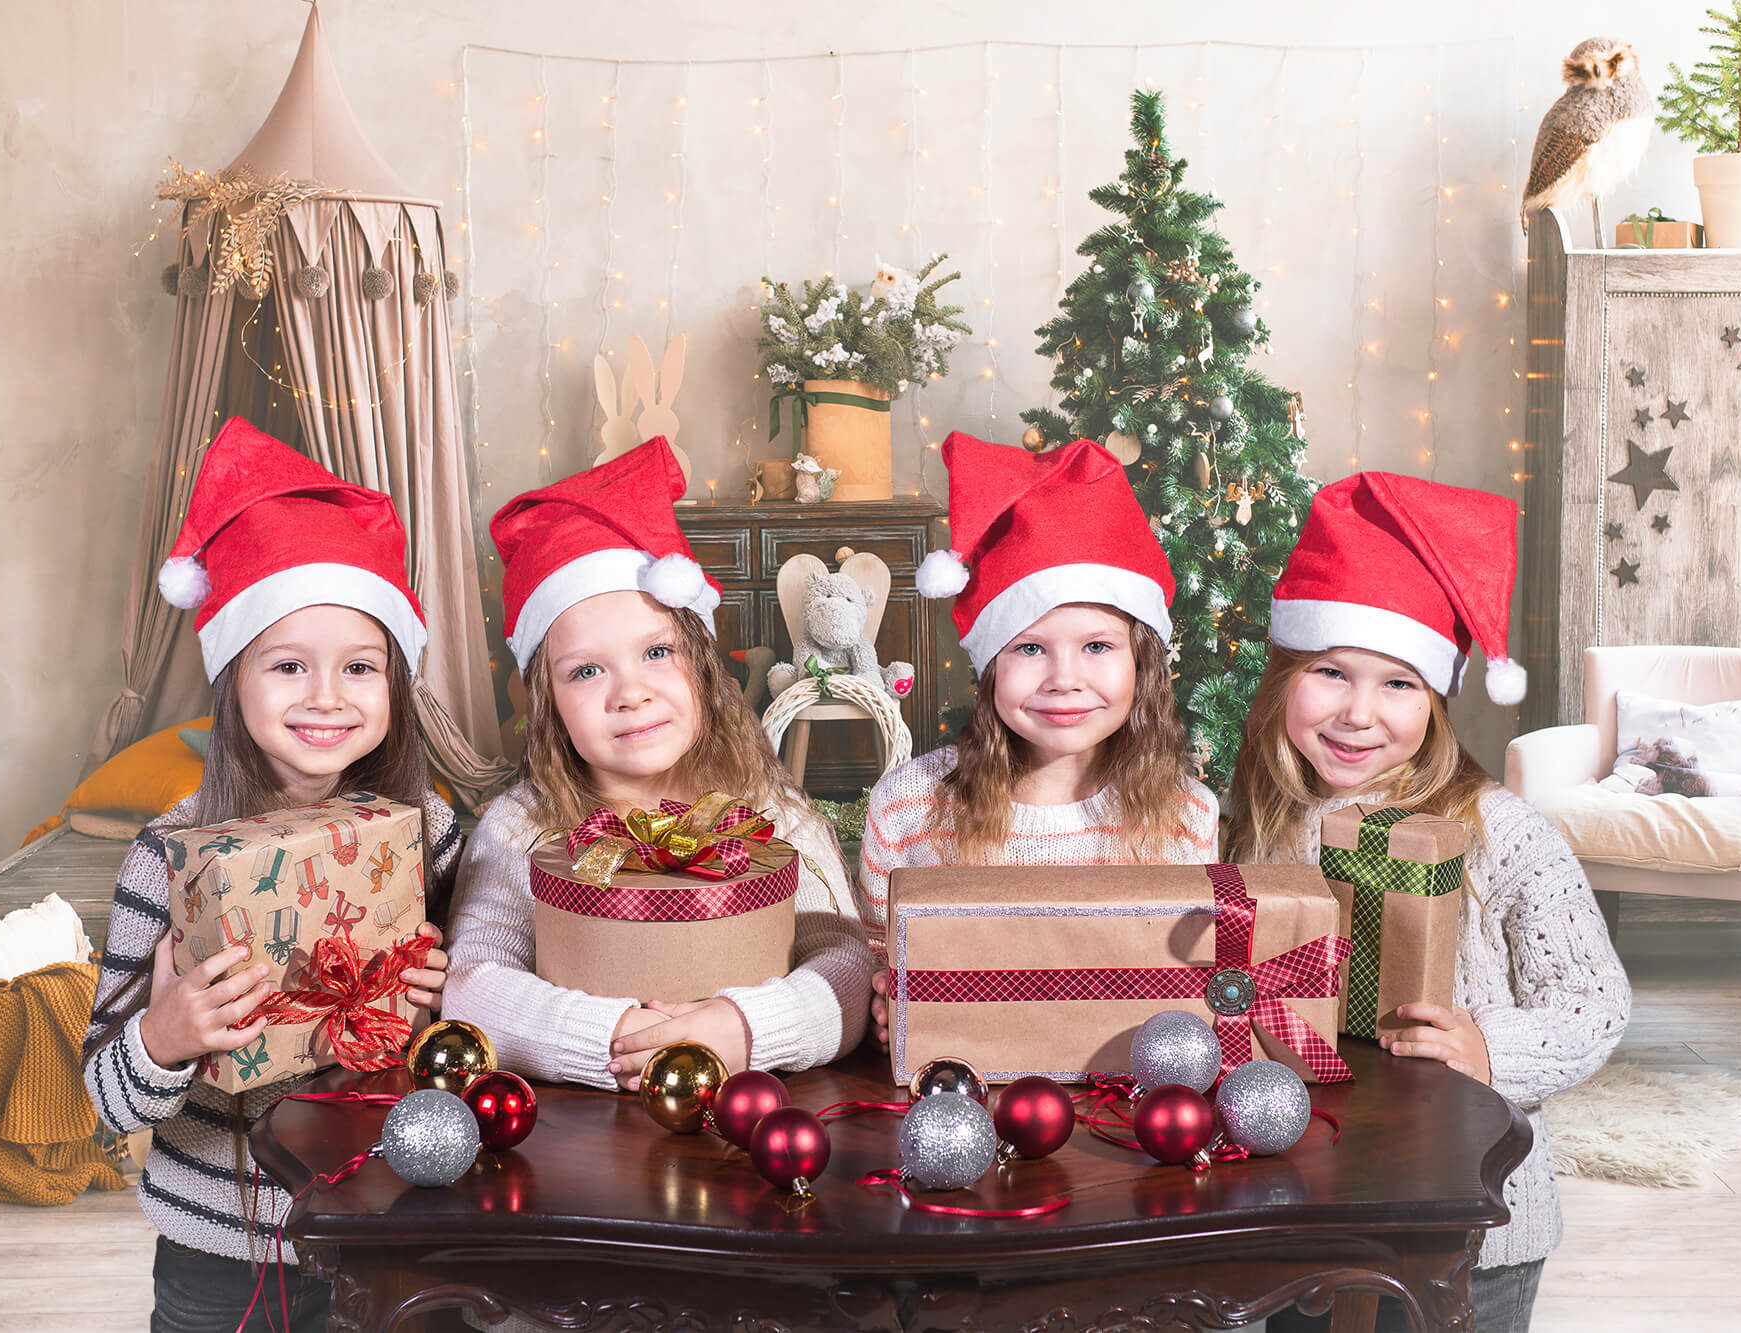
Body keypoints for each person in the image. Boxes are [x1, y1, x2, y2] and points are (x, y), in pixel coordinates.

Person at [1224, 472, 1630, 1333]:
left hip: (1474, 1225)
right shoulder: (1252, 825)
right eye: (1331, 672)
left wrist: (1488, 1044)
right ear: (1285, 675)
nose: (1359, 713)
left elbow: (1596, 1003)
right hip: (1303, 1214)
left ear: (1438, 702)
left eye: (1399, 684)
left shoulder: (1503, 832)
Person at [82, 419, 459, 1333]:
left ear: (396, 685)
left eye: (359, 667)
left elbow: (480, 1029)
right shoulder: (167, 856)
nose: (326, 696)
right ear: (233, 681)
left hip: (406, 1227)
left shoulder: (436, 836)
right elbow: (98, 1095)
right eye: (288, 665)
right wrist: (163, 1037)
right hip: (222, 1252)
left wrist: (441, 1005)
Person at [443, 438, 870, 1091]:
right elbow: (472, 987)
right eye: (586, 670)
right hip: (576, 1146)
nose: (630, 692)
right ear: (547, 701)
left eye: (656, 652)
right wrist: (621, 1037)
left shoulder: (769, 809)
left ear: (701, 660)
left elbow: (843, 963)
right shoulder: (518, 828)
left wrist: (744, 1026)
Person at [861, 432, 1219, 1049]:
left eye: (1098, 647)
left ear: (1142, 664)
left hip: (1125, 1098)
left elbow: (1191, 972)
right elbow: (877, 959)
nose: (1065, 679)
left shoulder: (1186, 815)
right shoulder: (909, 807)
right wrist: (887, 1004)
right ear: (990, 666)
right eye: (1029, 647)